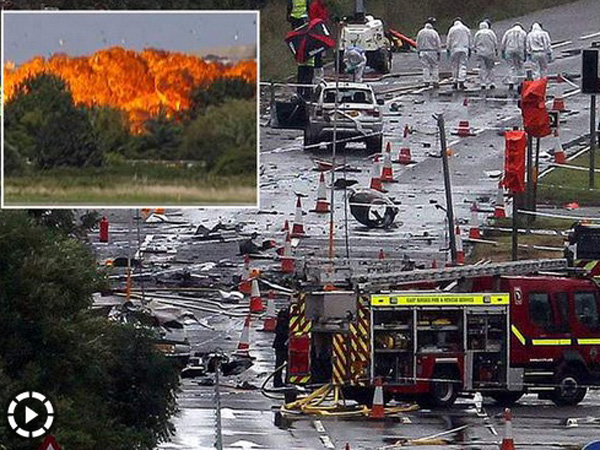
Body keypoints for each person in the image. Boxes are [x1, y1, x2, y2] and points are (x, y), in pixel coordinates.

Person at [416, 17, 442, 88]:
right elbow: (438, 43)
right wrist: (439, 52)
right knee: (434, 66)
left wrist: (418, 51)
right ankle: (435, 81)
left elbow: (417, 43)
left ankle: (426, 81)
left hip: (423, 51)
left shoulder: (420, 32)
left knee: (425, 67)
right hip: (432, 51)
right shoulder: (434, 32)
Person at [446, 18, 472, 89]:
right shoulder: (466, 29)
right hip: (464, 49)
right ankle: (461, 81)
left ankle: (455, 81)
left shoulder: (452, 29)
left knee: (454, 65)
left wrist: (448, 49)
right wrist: (470, 48)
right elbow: (470, 39)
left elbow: (449, 39)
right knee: (462, 65)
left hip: (454, 49)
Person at [473, 20, 498, 89]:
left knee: (482, 68)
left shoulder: (478, 33)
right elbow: (495, 42)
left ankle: (483, 83)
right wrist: (496, 50)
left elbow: (474, 43)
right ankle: (491, 82)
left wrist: (475, 50)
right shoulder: (491, 33)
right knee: (491, 68)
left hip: (480, 53)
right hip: (490, 53)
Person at [501, 22, 527, 89]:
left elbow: (503, 42)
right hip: (519, 50)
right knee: (520, 66)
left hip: (509, 50)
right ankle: (520, 82)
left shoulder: (508, 32)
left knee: (511, 66)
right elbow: (526, 44)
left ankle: (511, 82)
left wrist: (503, 51)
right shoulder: (523, 33)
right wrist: (525, 53)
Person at [309, 0, 330, 84]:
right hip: (316, 32)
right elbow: (314, 20)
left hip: (321, 32)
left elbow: (325, 18)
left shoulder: (323, 6)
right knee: (317, 55)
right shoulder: (315, 5)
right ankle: (317, 78)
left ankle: (319, 77)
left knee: (320, 55)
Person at [272, 307, 290, 388]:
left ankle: (278, 381)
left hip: (280, 344)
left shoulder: (282, 317)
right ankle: (283, 381)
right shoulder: (285, 319)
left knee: (279, 364)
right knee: (283, 364)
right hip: (282, 344)